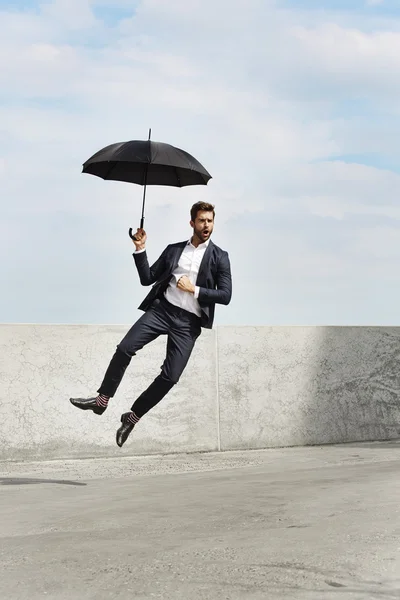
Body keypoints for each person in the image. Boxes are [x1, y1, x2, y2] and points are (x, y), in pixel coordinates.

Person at [70, 201, 232, 447]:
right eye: (201, 220)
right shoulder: (174, 250)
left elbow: (226, 296)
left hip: (187, 324)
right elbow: (147, 278)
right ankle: (101, 400)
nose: (206, 225)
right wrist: (140, 248)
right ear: (192, 223)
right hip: (162, 311)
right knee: (125, 348)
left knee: (170, 376)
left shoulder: (220, 257)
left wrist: (195, 289)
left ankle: (132, 417)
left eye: (210, 220)